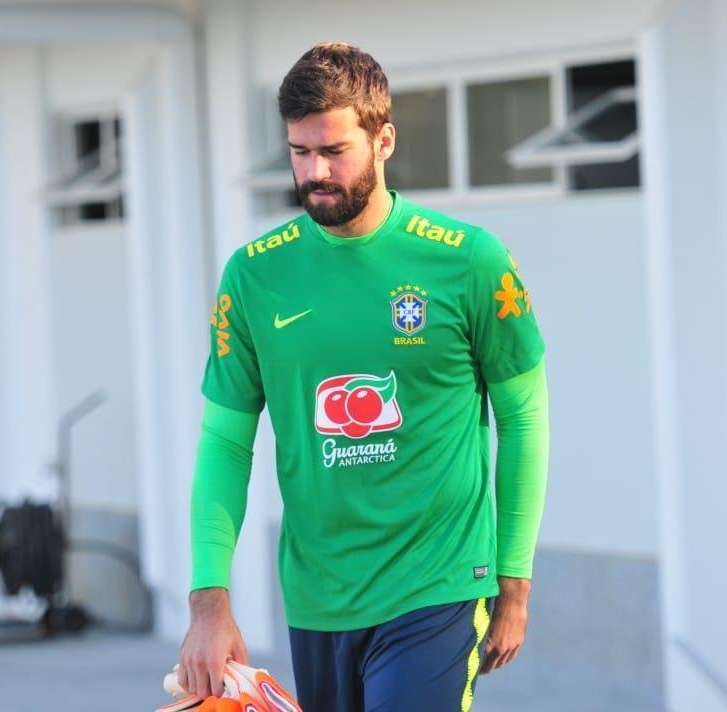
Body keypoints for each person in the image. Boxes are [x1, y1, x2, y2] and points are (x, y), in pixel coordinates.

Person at [176, 41, 549, 712]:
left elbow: (524, 416)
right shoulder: (254, 276)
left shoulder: (471, 262)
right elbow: (225, 443)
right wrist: (209, 601)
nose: (315, 172)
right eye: (299, 151)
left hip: (437, 583)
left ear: (384, 140)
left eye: (334, 151)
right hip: (318, 598)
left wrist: (513, 581)